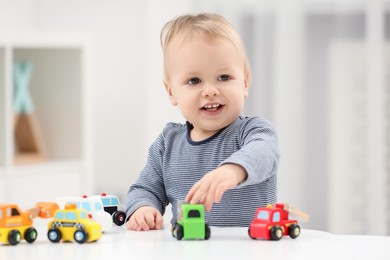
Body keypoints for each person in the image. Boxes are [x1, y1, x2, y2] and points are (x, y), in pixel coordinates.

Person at [125, 12, 280, 231]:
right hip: (187, 246)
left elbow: (265, 153)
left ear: (244, 83)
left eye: (224, 77)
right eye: (194, 80)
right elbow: (144, 188)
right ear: (171, 92)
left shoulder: (253, 131)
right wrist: (142, 208)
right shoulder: (167, 144)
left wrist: (232, 170)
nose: (210, 91)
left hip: (247, 249)